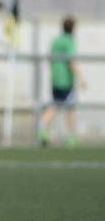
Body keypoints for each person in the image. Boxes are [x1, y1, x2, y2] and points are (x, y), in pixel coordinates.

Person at [39, 16, 85, 147]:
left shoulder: (56, 40)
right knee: (68, 107)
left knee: (58, 104)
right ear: (73, 28)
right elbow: (71, 61)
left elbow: (50, 58)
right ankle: (69, 137)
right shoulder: (70, 41)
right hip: (66, 80)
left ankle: (44, 128)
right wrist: (81, 78)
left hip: (55, 78)